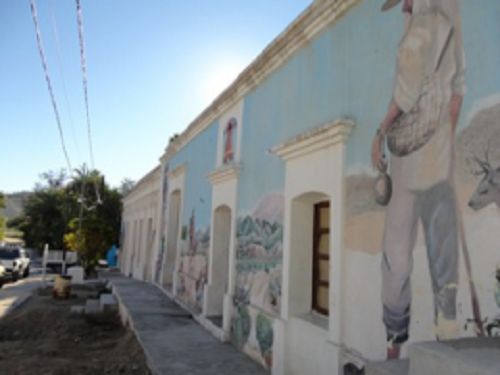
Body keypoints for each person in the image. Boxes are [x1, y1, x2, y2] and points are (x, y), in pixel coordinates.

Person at [371, 0, 466, 359]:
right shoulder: (450, 21)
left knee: (396, 258)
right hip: (440, 159)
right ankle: (449, 337)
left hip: (410, 160)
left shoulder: (422, 28)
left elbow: (405, 94)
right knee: (444, 255)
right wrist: (447, 145)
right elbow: (456, 93)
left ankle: (395, 341)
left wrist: (379, 132)